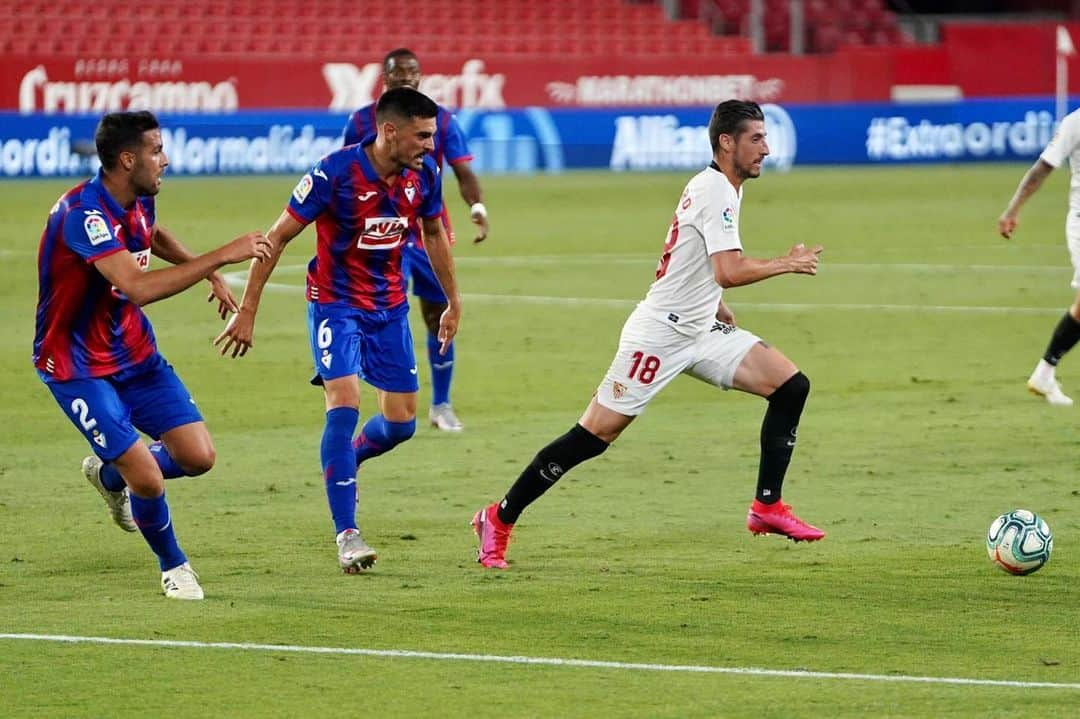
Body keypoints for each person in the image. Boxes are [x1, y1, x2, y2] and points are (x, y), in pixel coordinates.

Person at [471, 100, 825, 569]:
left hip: (700, 327)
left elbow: (690, 252)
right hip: (659, 336)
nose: (767, 148)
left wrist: (711, 300)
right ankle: (498, 518)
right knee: (594, 435)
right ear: (727, 142)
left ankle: (766, 507)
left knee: (789, 385)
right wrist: (786, 263)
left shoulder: (720, 186)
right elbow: (729, 269)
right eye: (756, 139)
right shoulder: (715, 189)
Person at [216, 87, 462, 574]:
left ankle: (343, 463)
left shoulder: (425, 175)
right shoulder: (334, 173)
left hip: (389, 307)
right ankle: (347, 534)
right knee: (343, 404)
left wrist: (454, 300)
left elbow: (433, 234)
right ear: (389, 131)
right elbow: (279, 236)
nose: (431, 146)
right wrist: (247, 310)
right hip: (335, 304)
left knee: (401, 424)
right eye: (423, 135)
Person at [33, 110, 272, 599]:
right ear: (127, 158)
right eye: (156, 150)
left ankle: (106, 473)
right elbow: (136, 286)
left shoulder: (138, 200)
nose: (165, 159)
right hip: (78, 365)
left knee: (198, 456)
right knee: (146, 475)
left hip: (134, 353)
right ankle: (174, 566)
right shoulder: (85, 214)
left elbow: (152, 236)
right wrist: (221, 255)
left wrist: (200, 269)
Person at [343, 48, 488, 432]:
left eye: (412, 72)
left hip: (427, 228)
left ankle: (441, 404)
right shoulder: (361, 121)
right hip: (381, 229)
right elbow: (346, 171)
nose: (405, 78)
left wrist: (477, 208)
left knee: (435, 312)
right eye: (398, 73)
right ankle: (363, 390)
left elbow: (462, 171)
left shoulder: (440, 120)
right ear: (385, 78)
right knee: (377, 307)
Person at [998, 109, 1080, 407]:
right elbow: (1042, 168)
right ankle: (1045, 374)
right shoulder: (1075, 123)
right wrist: (1013, 209)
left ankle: (1044, 374)